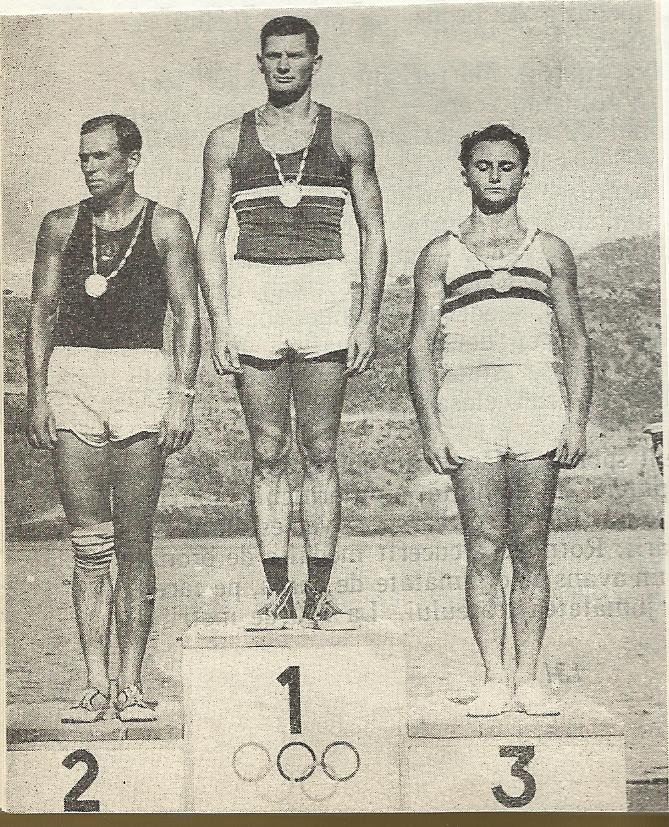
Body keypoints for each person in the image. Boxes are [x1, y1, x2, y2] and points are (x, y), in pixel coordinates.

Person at [197, 16, 386, 630]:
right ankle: (278, 591)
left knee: (321, 451)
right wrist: (220, 322)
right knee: (268, 452)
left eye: (295, 56)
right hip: (255, 291)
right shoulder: (227, 140)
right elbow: (209, 236)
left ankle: (321, 592)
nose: (284, 66)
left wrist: (365, 316)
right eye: (274, 56)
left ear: (314, 62)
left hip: (323, 289)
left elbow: (374, 232)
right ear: (260, 62)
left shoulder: (349, 133)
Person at [408, 124, 593, 715]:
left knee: (531, 549)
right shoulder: (440, 253)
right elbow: (419, 345)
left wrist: (576, 419)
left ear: (523, 175)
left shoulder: (550, 250)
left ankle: (530, 677)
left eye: (506, 166)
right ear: (465, 174)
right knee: (484, 548)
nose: (494, 175)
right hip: (468, 401)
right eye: (482, 165)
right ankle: (493, 677)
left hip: (535, 398)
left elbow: (575, 340)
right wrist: (431, 426)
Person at [26, 114, 201, 722]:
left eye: (101, 156)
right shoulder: (59, 225)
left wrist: (182, 394)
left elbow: (188, 312)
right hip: (74, 376)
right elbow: (41, 310)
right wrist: (38, 392)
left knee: (134, 541)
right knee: (88, 543)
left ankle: (131, 684)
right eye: (84, 157)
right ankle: (94, 683)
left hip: (141, 376)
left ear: (131, 160)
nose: (90, 167)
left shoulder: (167, 225)